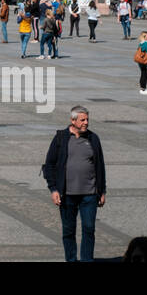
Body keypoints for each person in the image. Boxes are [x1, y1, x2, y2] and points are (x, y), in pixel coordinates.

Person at [41, 105, 107, 262]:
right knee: (68, 231)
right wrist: (53, 189)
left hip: (90, 195)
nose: (86, 123)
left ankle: (86, 260)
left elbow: (100, 166)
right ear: (73, 120)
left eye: (87, 120)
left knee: (89, 229)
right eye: (82, 120)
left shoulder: (93, 138)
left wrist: (102, 191)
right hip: (67, 195)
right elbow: (49, 165)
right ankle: (71, 259)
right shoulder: (61, 138)